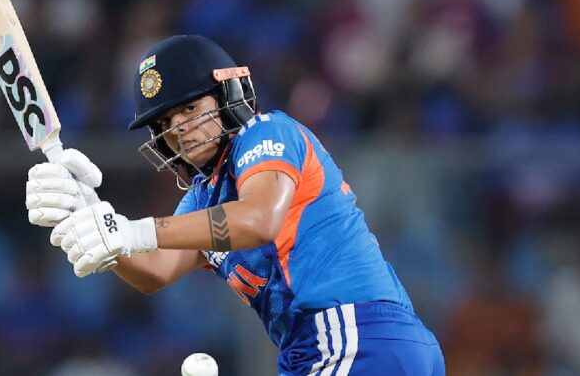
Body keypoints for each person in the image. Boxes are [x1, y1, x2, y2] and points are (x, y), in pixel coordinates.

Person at [25, 35, 445, 375]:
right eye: (165, 122)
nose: (179, 129)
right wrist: (91, 215)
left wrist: (132, 230)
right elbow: (154, 270)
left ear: (228, 95)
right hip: (337, 348)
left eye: (190, 108)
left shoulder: (268, 131)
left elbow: (259, 220)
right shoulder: (204, 196)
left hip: (353, 336)